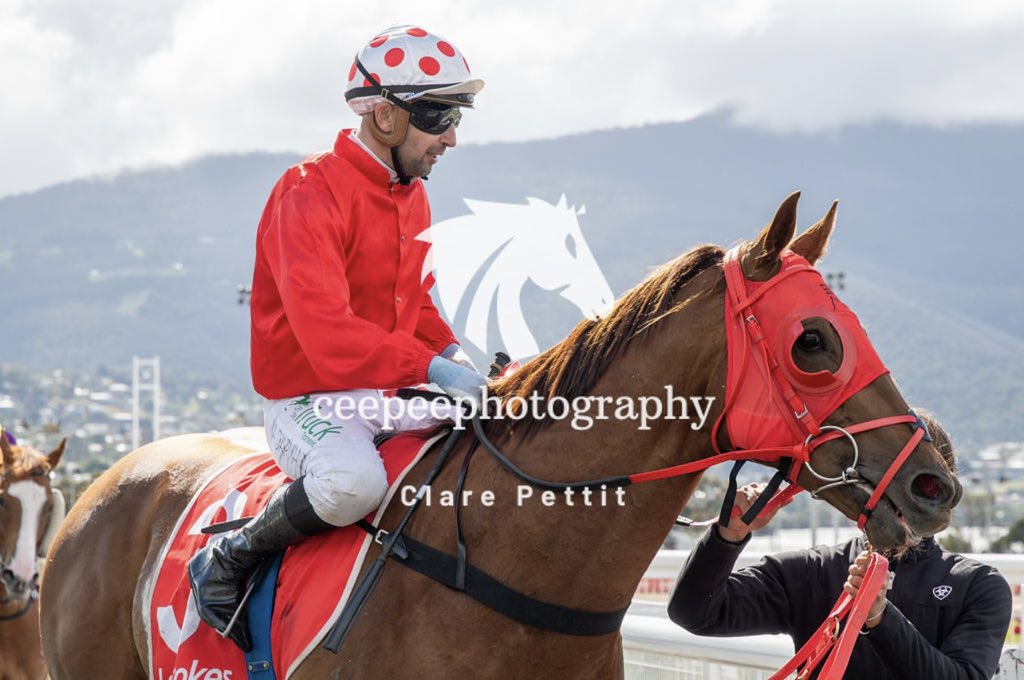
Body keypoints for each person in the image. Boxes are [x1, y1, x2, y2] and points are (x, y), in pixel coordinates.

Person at [188, 24, 488, 651]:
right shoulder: (307, 192)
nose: (452, 136)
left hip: (386, 389)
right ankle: (230, 556)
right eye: (439, 116)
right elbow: (327, 334)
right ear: (383, 114)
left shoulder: (413, 197)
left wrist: (458, 357)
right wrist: (433, 368)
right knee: (354, 484)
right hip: (309, 398)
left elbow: (416, 308)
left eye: (458, 114)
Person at [668, 412, 1012, 679]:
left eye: (920, 487)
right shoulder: (812, 572)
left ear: (944, 494)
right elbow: (694, 612)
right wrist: (728, 537)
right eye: (882, 482)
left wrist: (878, 615)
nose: (897, 502)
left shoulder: (978, 585)